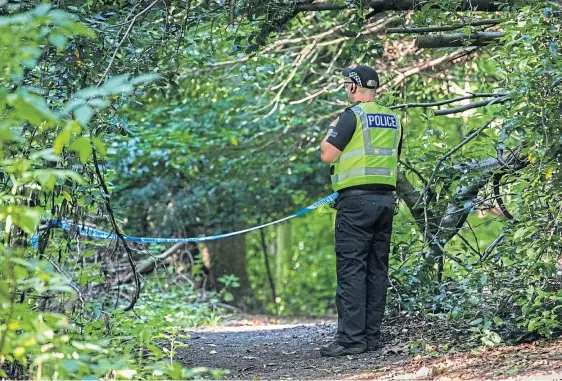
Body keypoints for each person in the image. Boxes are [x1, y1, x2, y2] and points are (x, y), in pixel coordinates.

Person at [319, 65, 403, 357]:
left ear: (353, 88)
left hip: (355, 204)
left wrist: (331, 131)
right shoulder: (393, 119)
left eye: (346, 85)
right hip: (385, 202)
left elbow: (327, 154)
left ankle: (351, 340)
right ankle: (370, 337)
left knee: (352, 268)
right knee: (376, 269)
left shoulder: (351, 116)